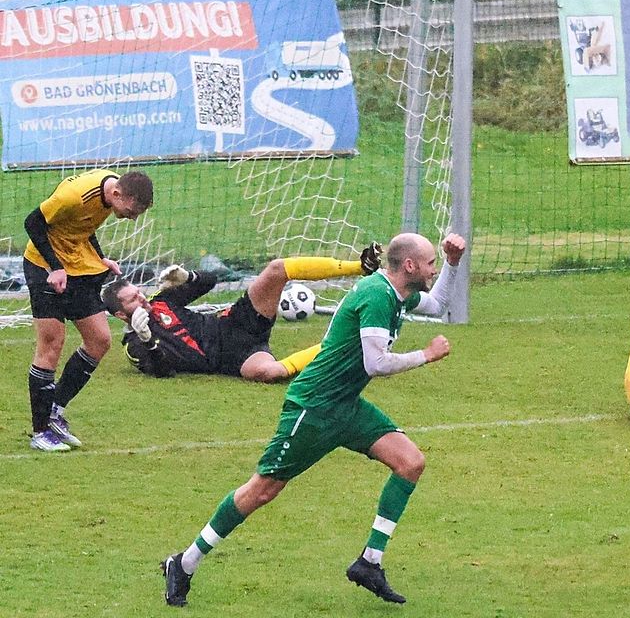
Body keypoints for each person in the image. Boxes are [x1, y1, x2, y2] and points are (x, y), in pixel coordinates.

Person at [161, 232, 466, 607]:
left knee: (410, 462)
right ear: (410, 266)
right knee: (264, 489)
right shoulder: (376, 296)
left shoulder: (397, 293)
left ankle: (369, 562)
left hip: (346, 405)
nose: (433, 268)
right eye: (432, 262)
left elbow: (437, 305)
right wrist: (426, 354)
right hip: (314, 407)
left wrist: (453, 262)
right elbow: (377, 363)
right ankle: (184, 563)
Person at [100, 242, 382, 382]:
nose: (141, 298)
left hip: (234, 323)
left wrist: (187, 277)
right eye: (132, 300)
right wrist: (148, 338)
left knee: (276, 269)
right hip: (230, 359)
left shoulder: (161, 300)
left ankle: (360, 267)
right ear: (121, 315)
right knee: (269, 373)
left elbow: (210, 282)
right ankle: (348, 344)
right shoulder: (135, 346)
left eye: (137, 292)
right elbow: (162, 371)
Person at [24, 169, 154, 452]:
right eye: (132, 211)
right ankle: (40, 431)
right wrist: (56, 268)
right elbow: (33, 223)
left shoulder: (110, 193)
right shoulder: (74, 195)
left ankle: (54, 408)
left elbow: (84, 224)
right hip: (44, 266)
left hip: (77, 263)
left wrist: (100, 257)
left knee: (99, 339)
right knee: (51, 343)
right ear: (118, 194)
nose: (132, 218)